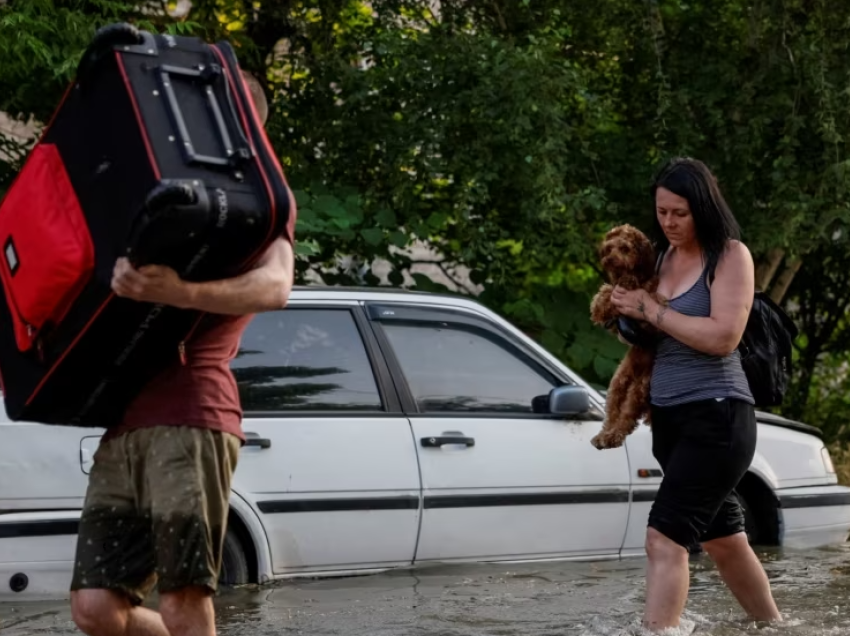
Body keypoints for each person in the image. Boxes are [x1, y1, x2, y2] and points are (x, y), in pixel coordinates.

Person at [69, 70, 296, 636]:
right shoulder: (151, 184)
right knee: (96, 608)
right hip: (124, 420)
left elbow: (276, 287)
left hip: (191, 415)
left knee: (183, 599)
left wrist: (178, 293)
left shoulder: (260, 199)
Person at [610, 157, 782, 632]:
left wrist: (651, 309)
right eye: (662, 212)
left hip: (719, 419)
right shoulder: (662, 259)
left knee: (663, 539)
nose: (668, 222)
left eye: (679, 213)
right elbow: (653, 337)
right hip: (670, 420)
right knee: (724, 539)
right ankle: (775, 628)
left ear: (702, 207)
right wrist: (628, 315)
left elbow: (722, 336)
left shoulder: (730, 256)